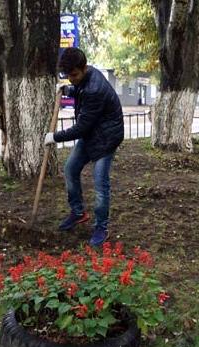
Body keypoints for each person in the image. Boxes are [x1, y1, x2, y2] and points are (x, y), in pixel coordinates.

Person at [44, 48, 124, 246]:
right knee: (70, 169)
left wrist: (54, 137)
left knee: (100, 185)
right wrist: (67, 90)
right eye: (68, 76)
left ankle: (101, 227)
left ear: (84, 68)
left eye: (74, 75)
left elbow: (81, 128)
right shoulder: (84, 79)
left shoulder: (94, 89)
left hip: (106, 139)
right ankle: (78, 212)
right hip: (92, 134)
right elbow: (80, 91)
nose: (71, 79)